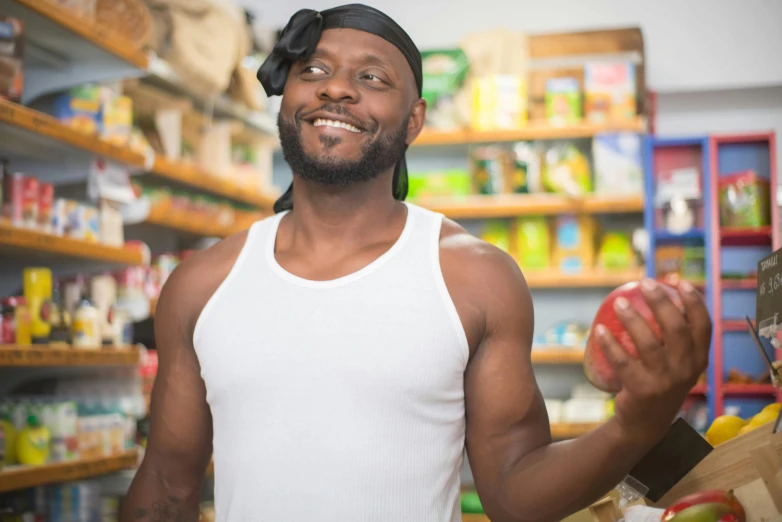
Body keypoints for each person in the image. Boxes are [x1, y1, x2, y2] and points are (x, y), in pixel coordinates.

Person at [122, 5, 711, 522]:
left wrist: (634, 426)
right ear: (288, 97)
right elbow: (167, 486)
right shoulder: (203, 285)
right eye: (314, 71)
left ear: (414, 121)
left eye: (371, 77)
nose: (335, 89)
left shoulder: (475, 279)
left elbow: (512, 495)